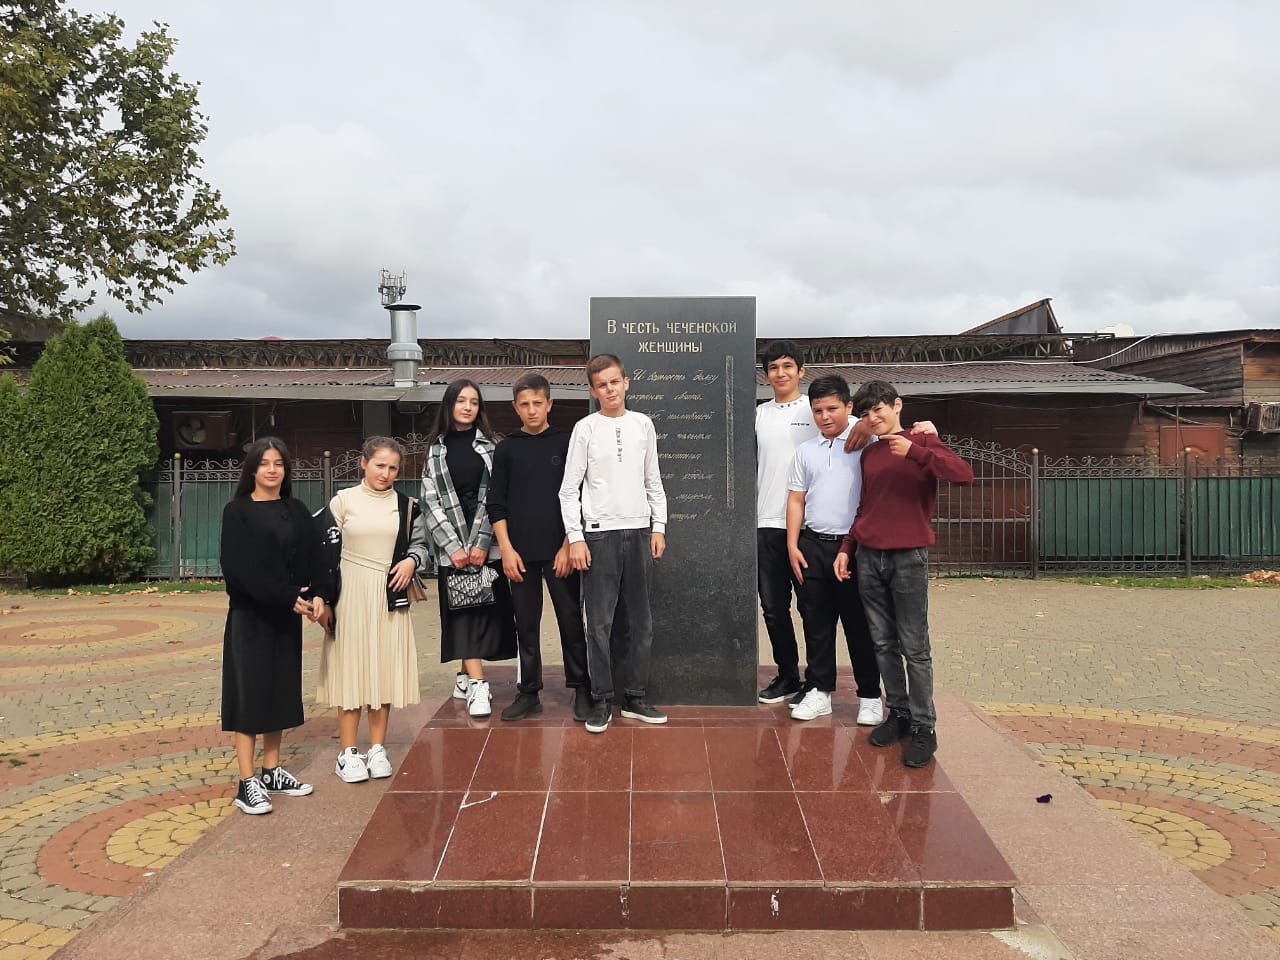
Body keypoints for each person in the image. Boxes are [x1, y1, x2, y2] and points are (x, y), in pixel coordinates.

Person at [836, 380, 974, 768]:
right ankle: (898, 713)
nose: (873, 418)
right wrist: (848, 547)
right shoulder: (870, 453)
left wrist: (917, 451)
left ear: (897, 405)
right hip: (869, 557)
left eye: (878, 409)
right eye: (866, 414)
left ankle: (924, 726)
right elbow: (866, 505)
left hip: (908, 557)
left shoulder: (923, 440)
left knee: (915, 646)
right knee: (883, 642)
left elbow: (963, 474)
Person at [559, 353, 668, 734]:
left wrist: (659, 526)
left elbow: (653, 481)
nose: (610, 389)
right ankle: (602, 699)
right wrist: (576, 538)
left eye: (615, 382)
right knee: (599, 625)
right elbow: (568, 490)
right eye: (602, 385)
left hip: (639, 533)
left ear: (626, 383)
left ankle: (635, 697)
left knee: (641, 624)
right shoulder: (585, 429)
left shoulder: (643, 425)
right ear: (593, 391)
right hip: (599, 536)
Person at [219, 437, 322, 815]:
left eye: (278, 463)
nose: (272, 470)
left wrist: (320, 594)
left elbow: (314, 557)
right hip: (251, 617)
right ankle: (247, 781)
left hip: (286, 617)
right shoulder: (237, 512)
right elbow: (238, 570)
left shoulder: (296, 510)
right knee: (249, 696)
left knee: (279, 692)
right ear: (252, 469)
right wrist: (283, 595)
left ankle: (272, 770)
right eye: (264, 463)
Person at [315, 437, 428, 783]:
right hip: (349, 593)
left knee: (382, 670)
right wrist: (324, 599)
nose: (385, 473)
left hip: (388, 595)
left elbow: (422, 545)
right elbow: (320, 552)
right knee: (351, 670)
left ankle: (377, 748)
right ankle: (348, 753)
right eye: (380, 465)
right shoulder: (342, 501)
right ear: (364, 463)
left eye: (393, 468)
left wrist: (412, 561)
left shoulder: (407, 505)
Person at [487, 373, 591, 722]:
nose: (531, 410)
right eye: (524, 404)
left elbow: (579, 497)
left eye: (537, 403)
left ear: (549, 404)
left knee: (571, 621)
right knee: (526, 625)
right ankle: (529, 692)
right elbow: (496, 504)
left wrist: (568, 544)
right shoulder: (507, 449)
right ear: (515, 407)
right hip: (520, 554)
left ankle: (582, 688)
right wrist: (506, 550)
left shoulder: (566, 443)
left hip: (561, 552)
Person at [785, 376, 885, 724]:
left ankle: (870, 696)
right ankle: (819, 691)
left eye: (832, 409)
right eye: (818, 411)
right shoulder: (806, 451)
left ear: (848, 407)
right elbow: (796, 499)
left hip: (854, 548)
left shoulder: (868, 442)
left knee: (859, 625)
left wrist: (864, 426)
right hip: (813, 545)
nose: (825, 417)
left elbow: (893, 424)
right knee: (816, 624)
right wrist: (793, 544)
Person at [421, 379, 517, 718]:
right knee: (462, 614)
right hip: (453, 549)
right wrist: (453, 546)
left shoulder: (491, 447)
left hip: (487, 542)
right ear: (449, 405)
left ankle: (464, 676)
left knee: (483, 613)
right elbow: (429, 502)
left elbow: (497, 495)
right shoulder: (435, 451)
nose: (467, 407)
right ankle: (478, 685)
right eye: (461, 401)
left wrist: (480, 543)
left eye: (474, 402)